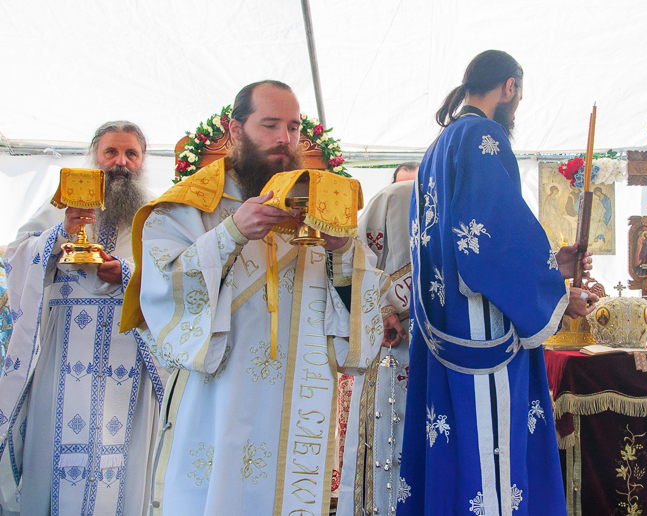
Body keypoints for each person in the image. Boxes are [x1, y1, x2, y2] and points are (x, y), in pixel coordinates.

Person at [121, 80, 401, 516]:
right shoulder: (193, 205)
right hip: (221, 395)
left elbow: (355, 297)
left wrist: (342, 250)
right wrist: (232, 232)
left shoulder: (318, 204)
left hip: (299, 399)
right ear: (235, 130)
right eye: (270, 125)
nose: (284, 139)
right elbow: (163, 287)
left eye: (293, 127)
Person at [397, 50, 597, 516]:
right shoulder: (483, 136)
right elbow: (489, 243)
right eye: (519, 95)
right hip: (481, 338)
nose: (517, 106)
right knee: (492, 462)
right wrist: (556, 294)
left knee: (457, 457)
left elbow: (467, 239)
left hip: (445, 330)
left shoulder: (438, 146)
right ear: (509, 87)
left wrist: (551, 264)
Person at [0, 121, 166, 515]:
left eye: (130, 154)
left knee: (121, 462)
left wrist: (126, 274)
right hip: (63, 350)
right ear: (95, 155)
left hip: (128, 349)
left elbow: (176, 276)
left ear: (143, 161)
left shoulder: (157, 214)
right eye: (111, 152)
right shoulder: (61, 204)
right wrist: (61, 232)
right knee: (53, 443)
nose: (120, 162)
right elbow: (16, 257)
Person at [337, 177, 414, 515]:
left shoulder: (469, 206)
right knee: (387, 446)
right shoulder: (395, 197)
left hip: (443, 359)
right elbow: (355, 264)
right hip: (392, 355)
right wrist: (382, 309)